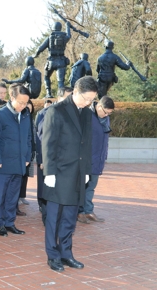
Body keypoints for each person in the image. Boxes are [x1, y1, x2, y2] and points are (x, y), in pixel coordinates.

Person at [42, 76, 96, 272]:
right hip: (59, 172)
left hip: (77, 173)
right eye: (87, 98)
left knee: (70, 217)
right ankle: (53, 255)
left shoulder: (87, 113)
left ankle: (66, 253)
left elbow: (88, 144)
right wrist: (49, 172)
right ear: (75, 91)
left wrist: (87, 170)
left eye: (92, 100)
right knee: (54, 217)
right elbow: (48, 142)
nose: (89, 103)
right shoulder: (56, 111)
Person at [0, 84, 32, 237]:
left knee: (13, 196)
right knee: (0, 195)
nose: (23, 105)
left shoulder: (26, 115)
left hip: (20, 163)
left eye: (26, 102)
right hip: (3, 163)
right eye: (20, 102)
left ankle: (10, 222)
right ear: (11, 98)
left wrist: (28, 157)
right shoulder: (0, 115)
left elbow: (28, 138)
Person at [35, 86, 73, 225]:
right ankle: (47, 217)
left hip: (64, 162)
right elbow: (41, 138)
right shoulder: (47, 113)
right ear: (60, 97)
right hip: (48, 160)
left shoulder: (73, 113)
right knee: (47, 191)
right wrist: (42, 159)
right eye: (68, 96)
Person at [78, 96, 114, 224]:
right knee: (82, 186)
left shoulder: (105, 119)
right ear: (99, 107)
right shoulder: (86, 115)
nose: (107, 115)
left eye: (110, 113)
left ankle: (88, 211)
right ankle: (80, 212)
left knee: (91, 187)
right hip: (86, 159)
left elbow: (105, 139)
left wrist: (104, 156)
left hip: (98, 159)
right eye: (106, 112)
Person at [33, 21, 71, 98]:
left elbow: (40, 48)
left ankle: (48, 94)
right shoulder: (64, 38)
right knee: (60, 81)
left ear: (53, 28)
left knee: (46, 77)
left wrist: (35, 55)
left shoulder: (50, 38)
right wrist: (68, 26)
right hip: (61, 62)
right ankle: (61, 96)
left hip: (51, 62)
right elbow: (69, 36)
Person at [18, 99, 36, 207]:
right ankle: (18, 197)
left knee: (26, 175)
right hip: (22, 151)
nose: (28, 109)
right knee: (20, 175)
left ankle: (22, 195)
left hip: (30, 149)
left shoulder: (31, 118)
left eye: (30, 107)